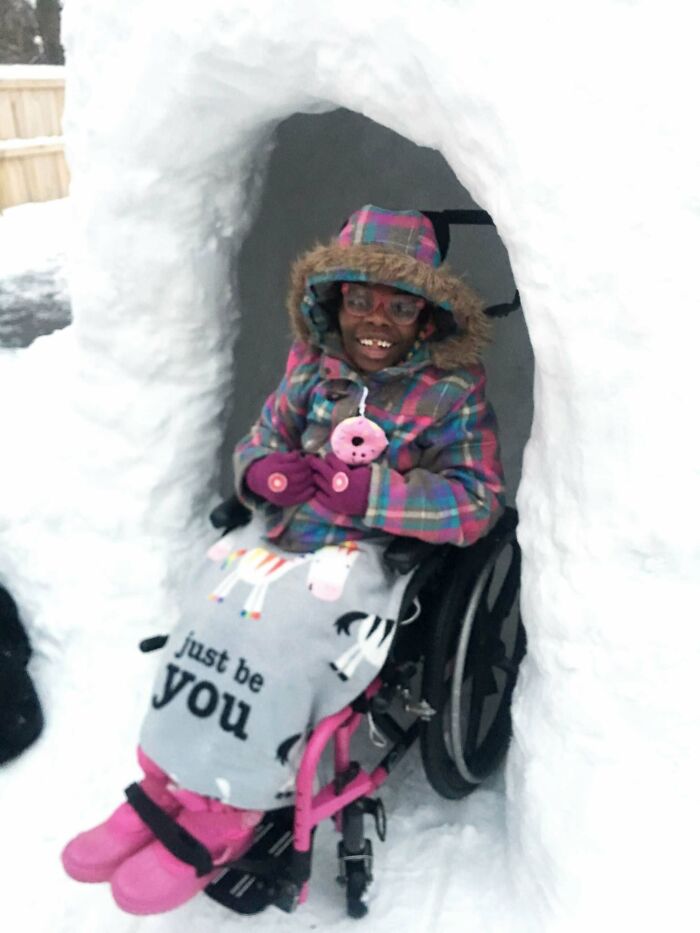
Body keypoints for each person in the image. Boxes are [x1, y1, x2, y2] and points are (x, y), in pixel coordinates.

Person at [61, 205, 505, 915]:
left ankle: (231, 807)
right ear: (335, 301)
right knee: (207, 602)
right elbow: (260, 441)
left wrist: (377, 492)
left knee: (278, 632)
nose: (375, 319)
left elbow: (476, 502)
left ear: (426, 318)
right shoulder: (311, 363)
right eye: (359, 299)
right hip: (287, 533)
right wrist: (264, 472)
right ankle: (167, 780)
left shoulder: (452, 391)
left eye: (398, 305)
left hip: (375, 555)